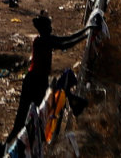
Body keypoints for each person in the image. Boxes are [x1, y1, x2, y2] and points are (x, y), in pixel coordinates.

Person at [7, 13, 91, 143]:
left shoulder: (45, 39)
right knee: (24, 118)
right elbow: (65, 44)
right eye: (49, 26)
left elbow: (66, 39)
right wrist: (86, 33)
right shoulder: (42, 41)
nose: (51, 28)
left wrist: (86, 31)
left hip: (39, 80)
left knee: (41, 113)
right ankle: (9, 145)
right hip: (34, 82)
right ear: (44, 28)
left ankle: (30, 142)